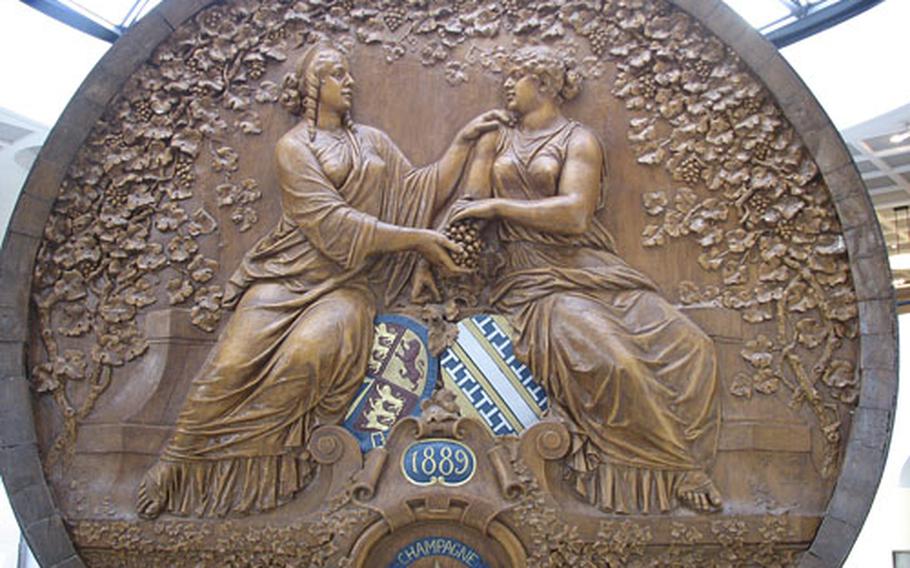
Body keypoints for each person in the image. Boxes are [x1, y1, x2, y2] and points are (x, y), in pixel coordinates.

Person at [136, 44, 505, 518]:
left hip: (347, 285)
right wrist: (417, 240)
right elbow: (332, 224)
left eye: (347, 73)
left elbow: (418, 190)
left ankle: (269, 467)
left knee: (310, 353)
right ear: (312, 87)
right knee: (229, 365)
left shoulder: (371, 141)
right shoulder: (294, 148)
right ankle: (178, 462)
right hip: (287, 275)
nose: (347, 82)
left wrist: (461, 143)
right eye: (335, 74)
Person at [449, 46, 722, 514]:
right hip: (532, 278)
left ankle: (689, 458)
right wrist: (470, 175)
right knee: (615, 359)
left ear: (546, 83)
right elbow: (470, 204)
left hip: (590, 266)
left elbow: (575, 214)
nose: (507, 85)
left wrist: (497, 206)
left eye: (517, 75)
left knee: (694, 346)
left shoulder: (579, 139)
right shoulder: (495, 139)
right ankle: (678, 467)